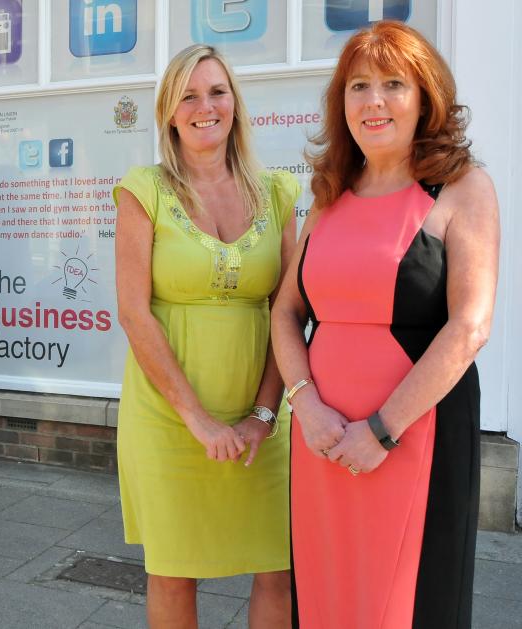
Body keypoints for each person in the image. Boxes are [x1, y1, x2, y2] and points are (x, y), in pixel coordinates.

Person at [271, 21, 498, 629]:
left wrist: (381, 431)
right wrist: (306, 405)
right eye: (358, 85)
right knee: (324, 595)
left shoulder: (462, 188)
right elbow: (286, 312)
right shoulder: (328, 193)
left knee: (406, 605)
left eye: (393, 83)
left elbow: (470, 327)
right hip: (320, 441)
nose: (373, 101)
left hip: (412, 438)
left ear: (426, 97)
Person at [113, 45, 298, 628]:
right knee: (174, 572)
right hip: (170, 419)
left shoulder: (279, 193)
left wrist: (262, 416)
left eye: (217, 91)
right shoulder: (143, 189)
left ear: (235, 104)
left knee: (280, 569)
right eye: (188, 95)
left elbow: (287, 310)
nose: (204, 106)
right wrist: (197, 419)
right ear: (169, 111)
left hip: (264, 422)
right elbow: (134, 313)